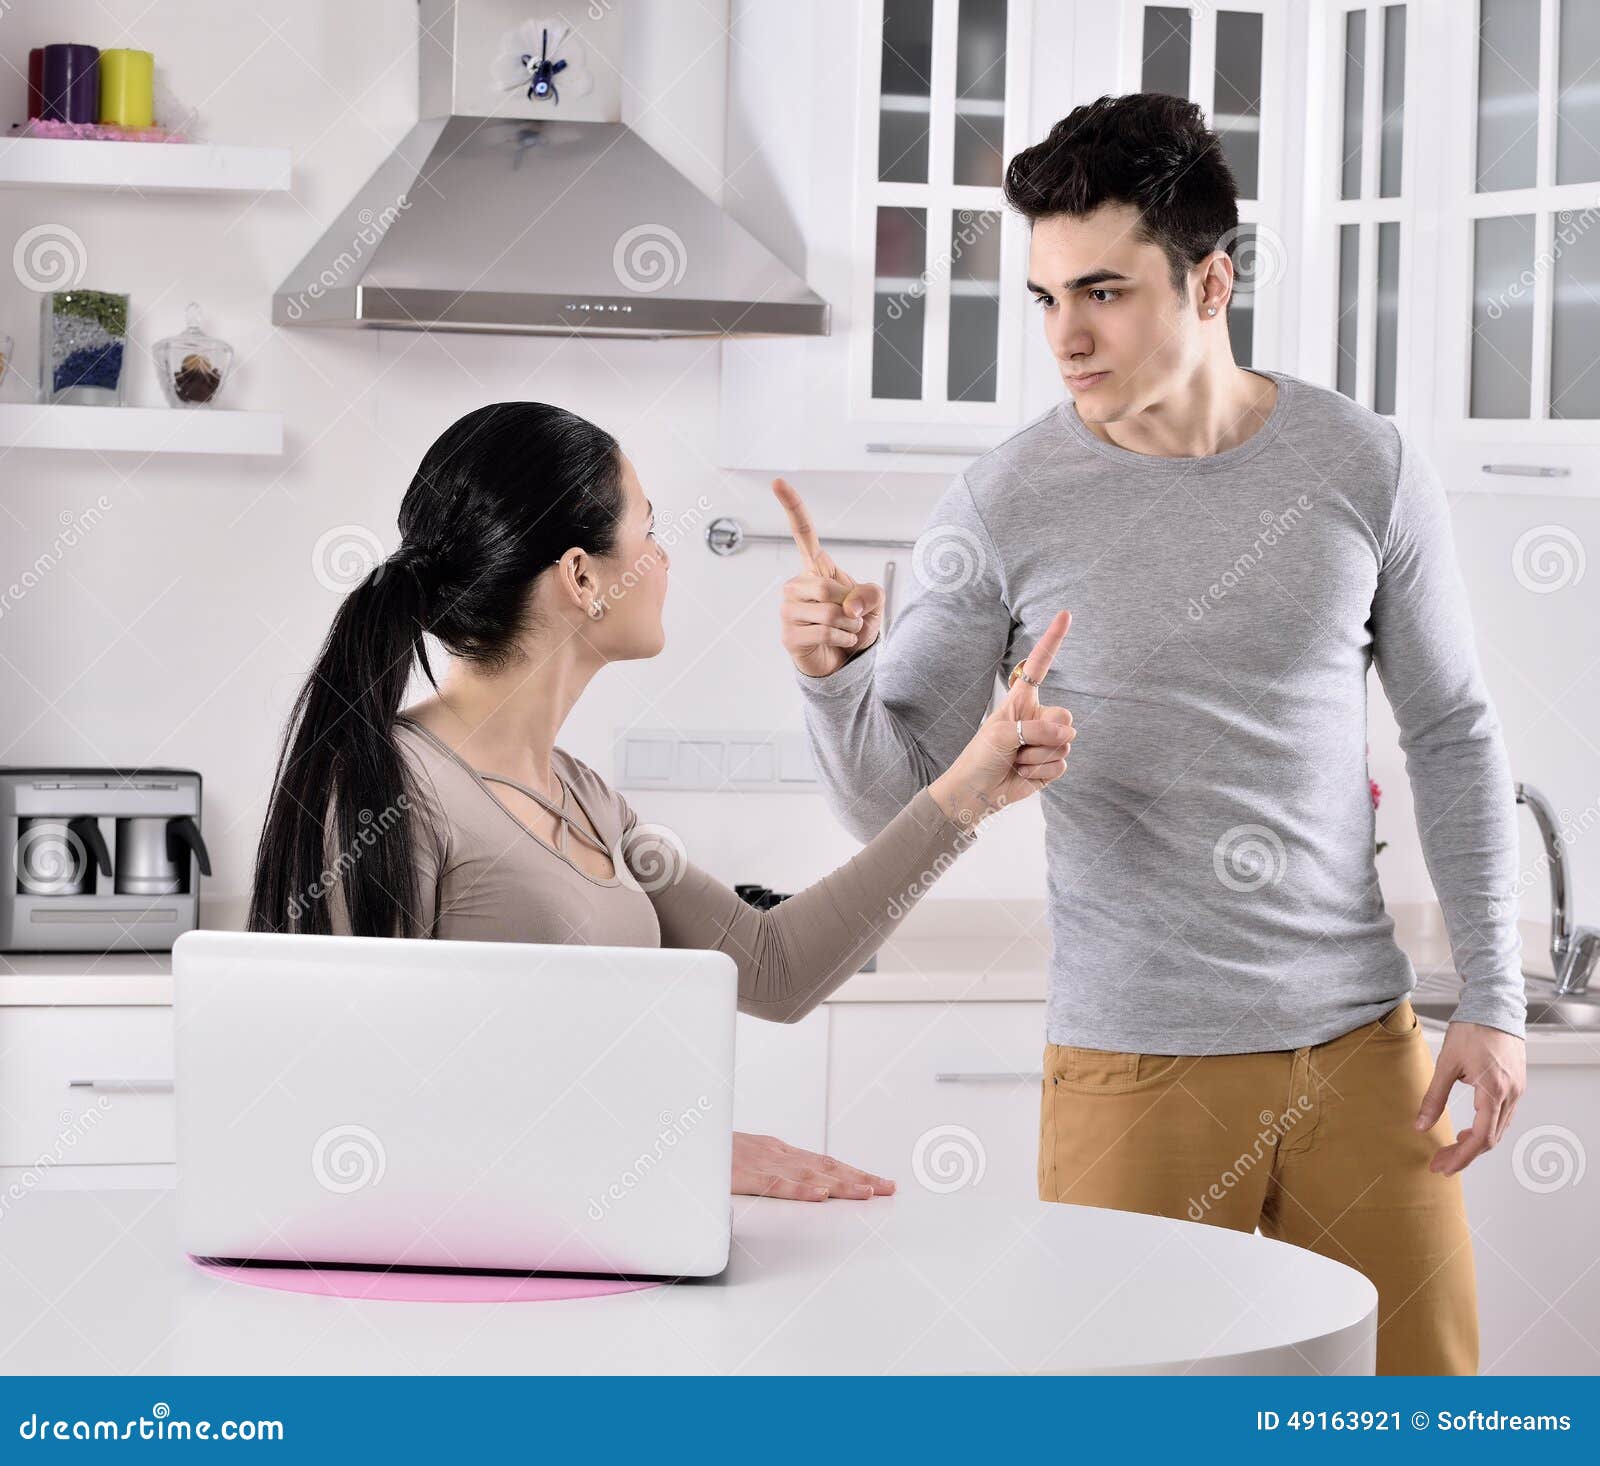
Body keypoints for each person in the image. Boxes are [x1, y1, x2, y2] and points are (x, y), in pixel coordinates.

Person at [776, 93, 1525, 1374]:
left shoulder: (1365, 464)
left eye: (1105, 292)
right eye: (1045, 298)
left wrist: (1495, 994)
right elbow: (888, 798)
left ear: (1211, 281)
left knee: (1421, 1419)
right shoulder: (1002, 498)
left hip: (1361, 1047)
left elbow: (1451, 728)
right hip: (1135, 1066)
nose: (1065, 336)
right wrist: (834, 676)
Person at [246, 400, 1074, 1205]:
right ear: (581, 577)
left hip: (594, 1271)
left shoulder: (588, 802)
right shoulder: (386, 792)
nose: (665, 558)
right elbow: (344, 1116)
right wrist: (677, 1151)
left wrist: (970, 792)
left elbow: (774, 967)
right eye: (649, 530)